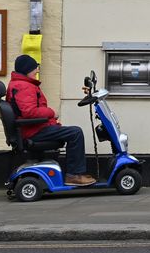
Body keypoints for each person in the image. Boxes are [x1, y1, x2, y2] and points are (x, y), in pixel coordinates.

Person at [6, 55, 97, 186]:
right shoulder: (24, 86)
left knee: (70, 131)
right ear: (27, 70)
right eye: (34, 68)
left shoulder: (19, 84)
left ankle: (75, 173)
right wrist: (51, 113)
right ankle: (74, 175)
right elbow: (29, 112)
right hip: (34, 131)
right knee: (75, 133)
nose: (37, 71)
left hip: (32, 129)